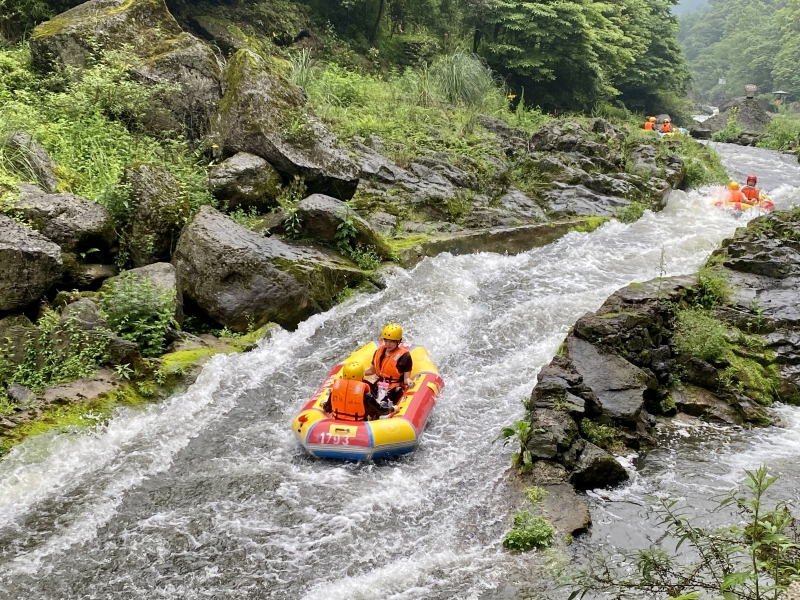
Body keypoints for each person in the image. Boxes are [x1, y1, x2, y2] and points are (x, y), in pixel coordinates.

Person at [364, 323, 413, 407]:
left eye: (391, 341)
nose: (388, 344)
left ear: (398, 341)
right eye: (386, 340)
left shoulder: (405, 356)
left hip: (393, 388)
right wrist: (357, 373)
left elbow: (406, 378)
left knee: (398, 390)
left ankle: (381, 407)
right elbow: (372, 371)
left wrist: (409, 381)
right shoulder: (379, 351)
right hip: (378, 386)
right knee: (362, 383)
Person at [322, 361, 388, 421]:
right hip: (359, 426)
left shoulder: (335, 391)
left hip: (338, 422)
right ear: (362, 377)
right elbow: (380, 411)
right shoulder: (366, 396)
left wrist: (323, 403)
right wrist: (393, 408)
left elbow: (327, 408)